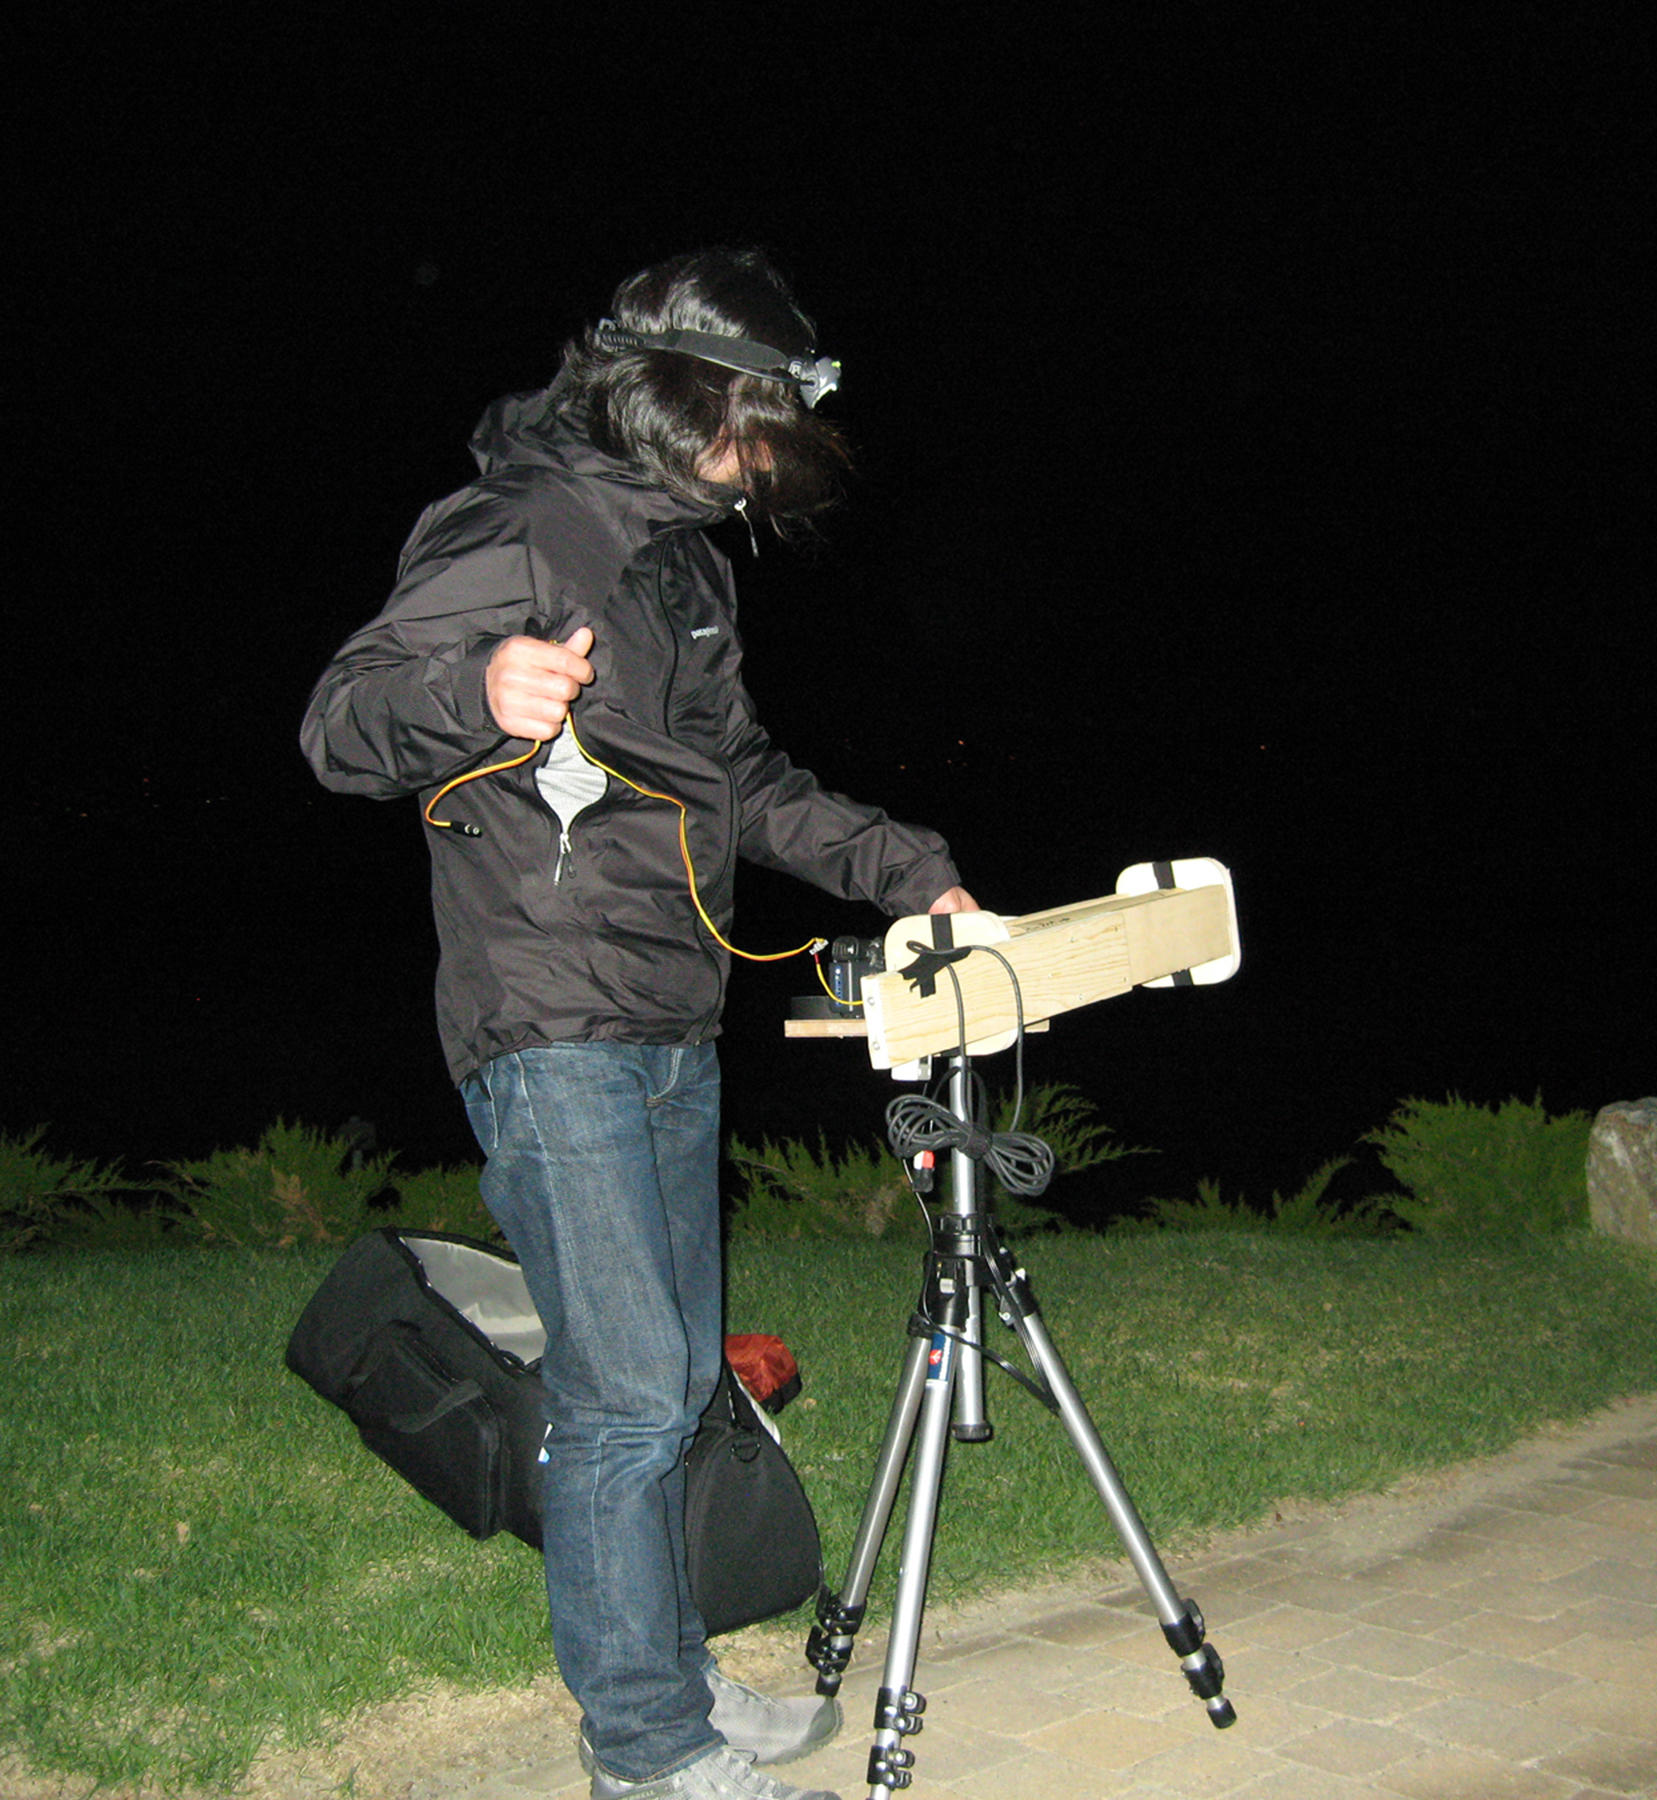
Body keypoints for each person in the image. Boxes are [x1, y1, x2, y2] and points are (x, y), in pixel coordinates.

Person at [301, 247, 976, 1800]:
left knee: (672, 1384)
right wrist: (478, 685)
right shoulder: (520, 522)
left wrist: (914, 873)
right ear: (687, 406)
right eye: (756, 432)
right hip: (549, 1020)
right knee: (619, 1398)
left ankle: (669, 1682)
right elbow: (341, 721)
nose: (765, 469)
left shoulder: (681, 565)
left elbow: (746, 783)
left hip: (671, 1017)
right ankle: (645, 1750)